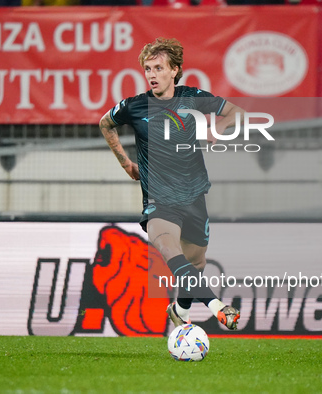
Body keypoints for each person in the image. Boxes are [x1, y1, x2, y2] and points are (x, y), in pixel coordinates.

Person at [99, 37, 242, 330]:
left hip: (194, 197)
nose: (151, 74)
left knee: (195, 265)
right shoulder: (134, 106)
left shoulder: (193, 97)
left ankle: (180, 312)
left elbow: (235, 112)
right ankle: (218, 307)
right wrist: (125, 162)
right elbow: (105, 124)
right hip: (159, 202)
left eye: (158, 68)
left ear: (174, 70)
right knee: (170, 253)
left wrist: (218, 127)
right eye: (147, 69)